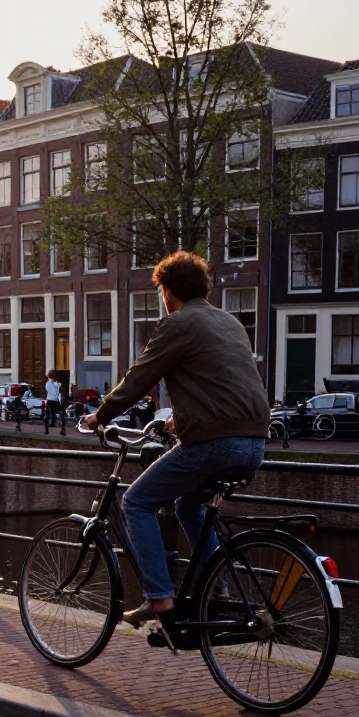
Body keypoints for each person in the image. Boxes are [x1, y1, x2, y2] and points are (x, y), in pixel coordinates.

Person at [82, 252, 270, 629]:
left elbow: (139, 379)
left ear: (167, 291)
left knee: (136, 502)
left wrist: (99, 416)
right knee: (188, 506)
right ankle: (218, 592)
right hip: (255, 441)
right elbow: (217, 383)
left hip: (215, 444)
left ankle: (160, 600)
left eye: (160, 291)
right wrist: (178, 422)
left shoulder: (178, 323)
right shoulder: (230, 322)